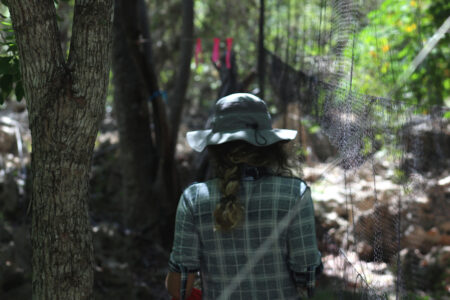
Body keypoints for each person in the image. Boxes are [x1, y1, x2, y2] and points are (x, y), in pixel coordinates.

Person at [166, 93, 322, 300]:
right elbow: (307, 277)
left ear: (216, 148)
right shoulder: (295, 194)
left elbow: (179, 289)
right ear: (271, 146)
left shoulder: (193, 199)